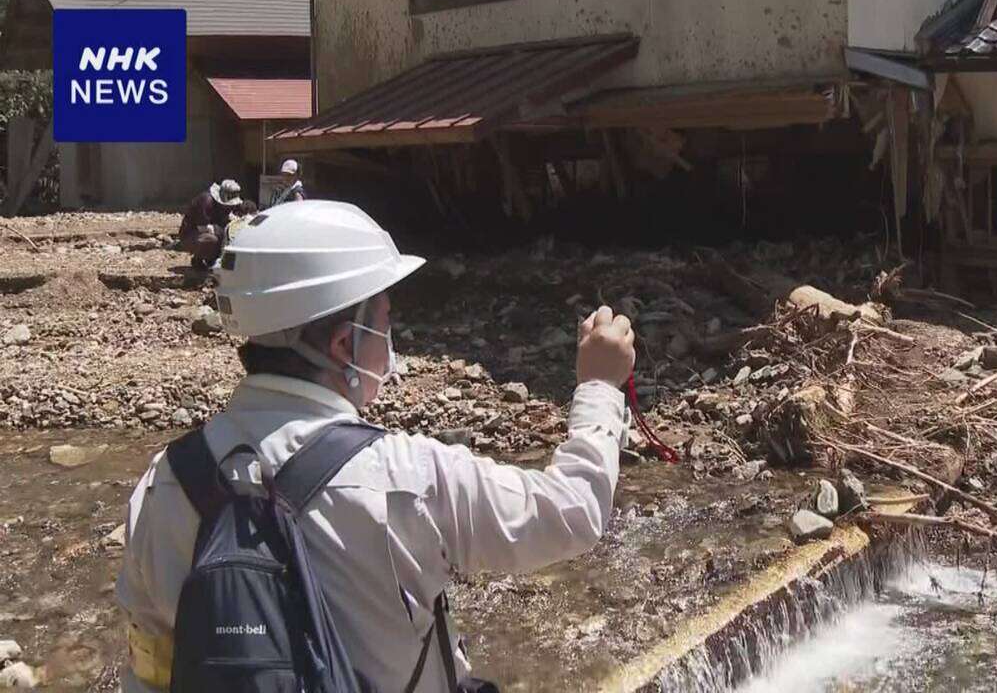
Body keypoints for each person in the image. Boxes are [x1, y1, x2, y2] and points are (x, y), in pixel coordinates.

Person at [117, 200, 634, 692]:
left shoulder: (162, 484)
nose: (391, 340)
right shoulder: (406, 477)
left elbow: (150, 669)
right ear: (344, 344)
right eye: (384, 322)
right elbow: (575, 512)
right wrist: (599, 387)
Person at [177, 179, 242, 269]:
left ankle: (212, 259)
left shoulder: (224, 206)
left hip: (207, 231)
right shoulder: (206, 201)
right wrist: (221, 231)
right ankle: (198, 260)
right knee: (211, 239)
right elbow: (202, 227)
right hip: (190, 234)